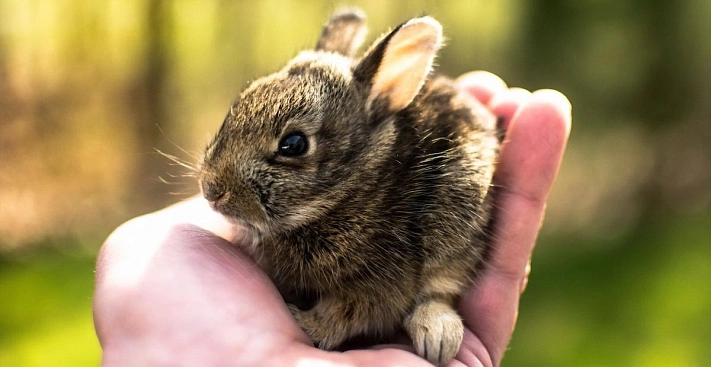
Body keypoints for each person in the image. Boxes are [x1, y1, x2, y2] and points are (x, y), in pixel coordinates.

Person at [93, 71, 571, 367]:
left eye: (292, 148)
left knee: (461, 185)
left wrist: (329, 321)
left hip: (430, 229)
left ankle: (437, 298)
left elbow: (381, 288)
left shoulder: (360, 218)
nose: (213, 187)